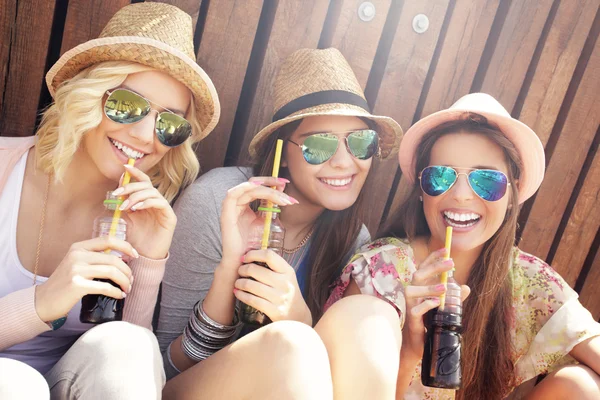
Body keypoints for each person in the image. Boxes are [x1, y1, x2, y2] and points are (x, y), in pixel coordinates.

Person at [157, 48, 405, 399]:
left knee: (370, 315)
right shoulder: (217, 200)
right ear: (281, 154)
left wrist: (299, 318)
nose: (343, 162)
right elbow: (168, 366)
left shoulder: (353, 241)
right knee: (293, 343)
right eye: (319, 145)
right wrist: (231, 266)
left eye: (360, 143)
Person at [0, 3, 219, 399]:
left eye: (168, 123)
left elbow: (127, 368)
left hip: (67, 386)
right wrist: (41, 302)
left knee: (130, 344)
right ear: (86, 95)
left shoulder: (140, 216)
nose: (144, 135)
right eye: (127, 105)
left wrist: (150, 258)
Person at [326, 93, 600, 399]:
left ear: (512, 194)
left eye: (486, 179)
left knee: (582, 387)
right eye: (441, 177)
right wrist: (409, 349)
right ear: (421, 190)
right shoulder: (379, 273)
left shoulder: (529, 280)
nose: (460, 195)